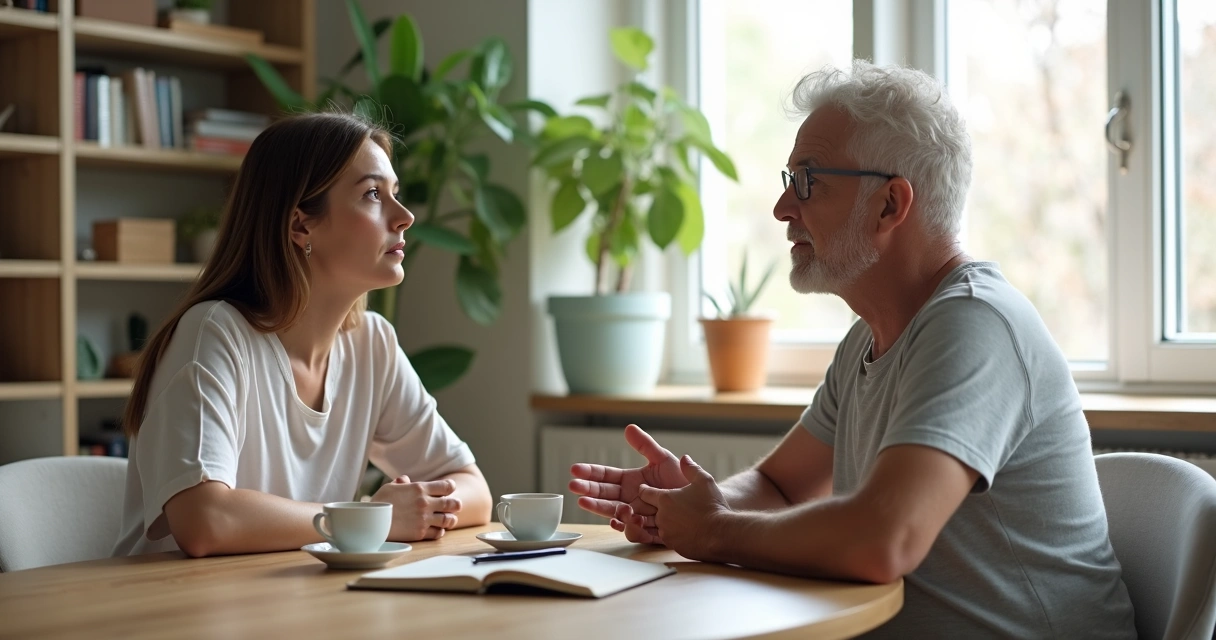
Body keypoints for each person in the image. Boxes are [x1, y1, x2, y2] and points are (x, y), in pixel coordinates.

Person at [569, 61, 1137, 638]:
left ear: (891, 205)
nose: (783, 209)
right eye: (786, 180)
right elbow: (780, 487)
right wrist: (690, 505)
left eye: (808, 181)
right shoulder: (868, 336)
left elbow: (883, 540)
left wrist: (714, 530)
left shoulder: (973, 325)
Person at [113, 113, 492, 557]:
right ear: (300, 226)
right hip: (174, 616)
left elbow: (475, 491)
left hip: (288, 606)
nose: (405, 217)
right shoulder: (214, 333)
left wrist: (393, 513)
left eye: (396, 194)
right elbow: (204, 521)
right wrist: (370, 517)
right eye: (373, 194)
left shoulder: (371, 343)